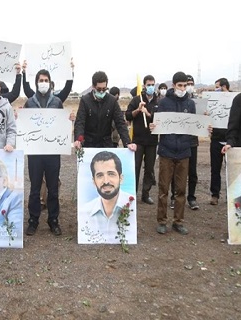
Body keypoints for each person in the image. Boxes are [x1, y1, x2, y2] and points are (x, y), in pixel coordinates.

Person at [151, 71, 195, 235]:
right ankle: (162, 221)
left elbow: (194, 126)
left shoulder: (190, 104)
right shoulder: (164, 103)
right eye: (180, 85)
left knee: (181, 190)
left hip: (184, 152)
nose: (183, 88)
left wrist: (206, 127)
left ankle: (178, 221)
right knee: (163, 189)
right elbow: (156, 122)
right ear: (174, 85)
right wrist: (153, 126)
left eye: (185, 85)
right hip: (166, 151)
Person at [24, 70, 67, 236]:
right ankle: (33, 220)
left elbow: (61, 124)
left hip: (52, 153)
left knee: (53, 188)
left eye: (46, 80)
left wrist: (68, 119)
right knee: (35, 189)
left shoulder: (57, 102)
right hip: (35, 154)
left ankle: (53, 220)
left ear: (50, 82)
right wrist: (19, 117)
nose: (43, 82)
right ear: (36, 83)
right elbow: (25, 126)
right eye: (41, 80)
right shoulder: (29, 103)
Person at [78, 151, 137, 243]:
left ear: (121, 178)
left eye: (111, 174)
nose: (106, 181)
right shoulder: (85, 211)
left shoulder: (132, 206)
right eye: (100, 175)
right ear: (94, 181)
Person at [73, 71, 136, 152]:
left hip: (106, 144)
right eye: (99, 89)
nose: (102, 92)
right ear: (93, 87)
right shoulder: (85, 100)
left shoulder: (112, 101)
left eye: (104, 89)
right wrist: (79, 139)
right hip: (89, 145)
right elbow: (80, 122)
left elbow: (120, 122)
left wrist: (127, 142)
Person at [125, 75, 159, 204]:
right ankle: (132, 193)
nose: (151, 87)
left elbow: (160, 120)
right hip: (138, 141)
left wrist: (148, 114)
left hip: (152, 141)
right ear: (144, 85)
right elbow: (128, 116)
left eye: (153, 84)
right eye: (148, 84)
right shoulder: (136, 99)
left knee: (149, 169)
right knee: (135, 167)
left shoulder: (159, 101)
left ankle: (146, 194)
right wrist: (138, 110)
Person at [170, 74, 200, 210]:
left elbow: (199, 123)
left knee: (192, 172)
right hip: (177, 142)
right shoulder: (172, 102)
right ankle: (173, 197)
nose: (185, 87)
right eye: (182, 84)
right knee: (176, 173)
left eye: (188, 84)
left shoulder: (194, 102)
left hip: (192, 142)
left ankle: (192, 197)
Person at [209, 77, 231, 205]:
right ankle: (215, 195)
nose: (216, 90)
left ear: (224, 87)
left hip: (230, 141)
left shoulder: (235, 100)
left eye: (217, 87)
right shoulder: (213, 101)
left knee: (232, 169)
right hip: (216, 140)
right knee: (215, 169)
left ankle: (232, 195)